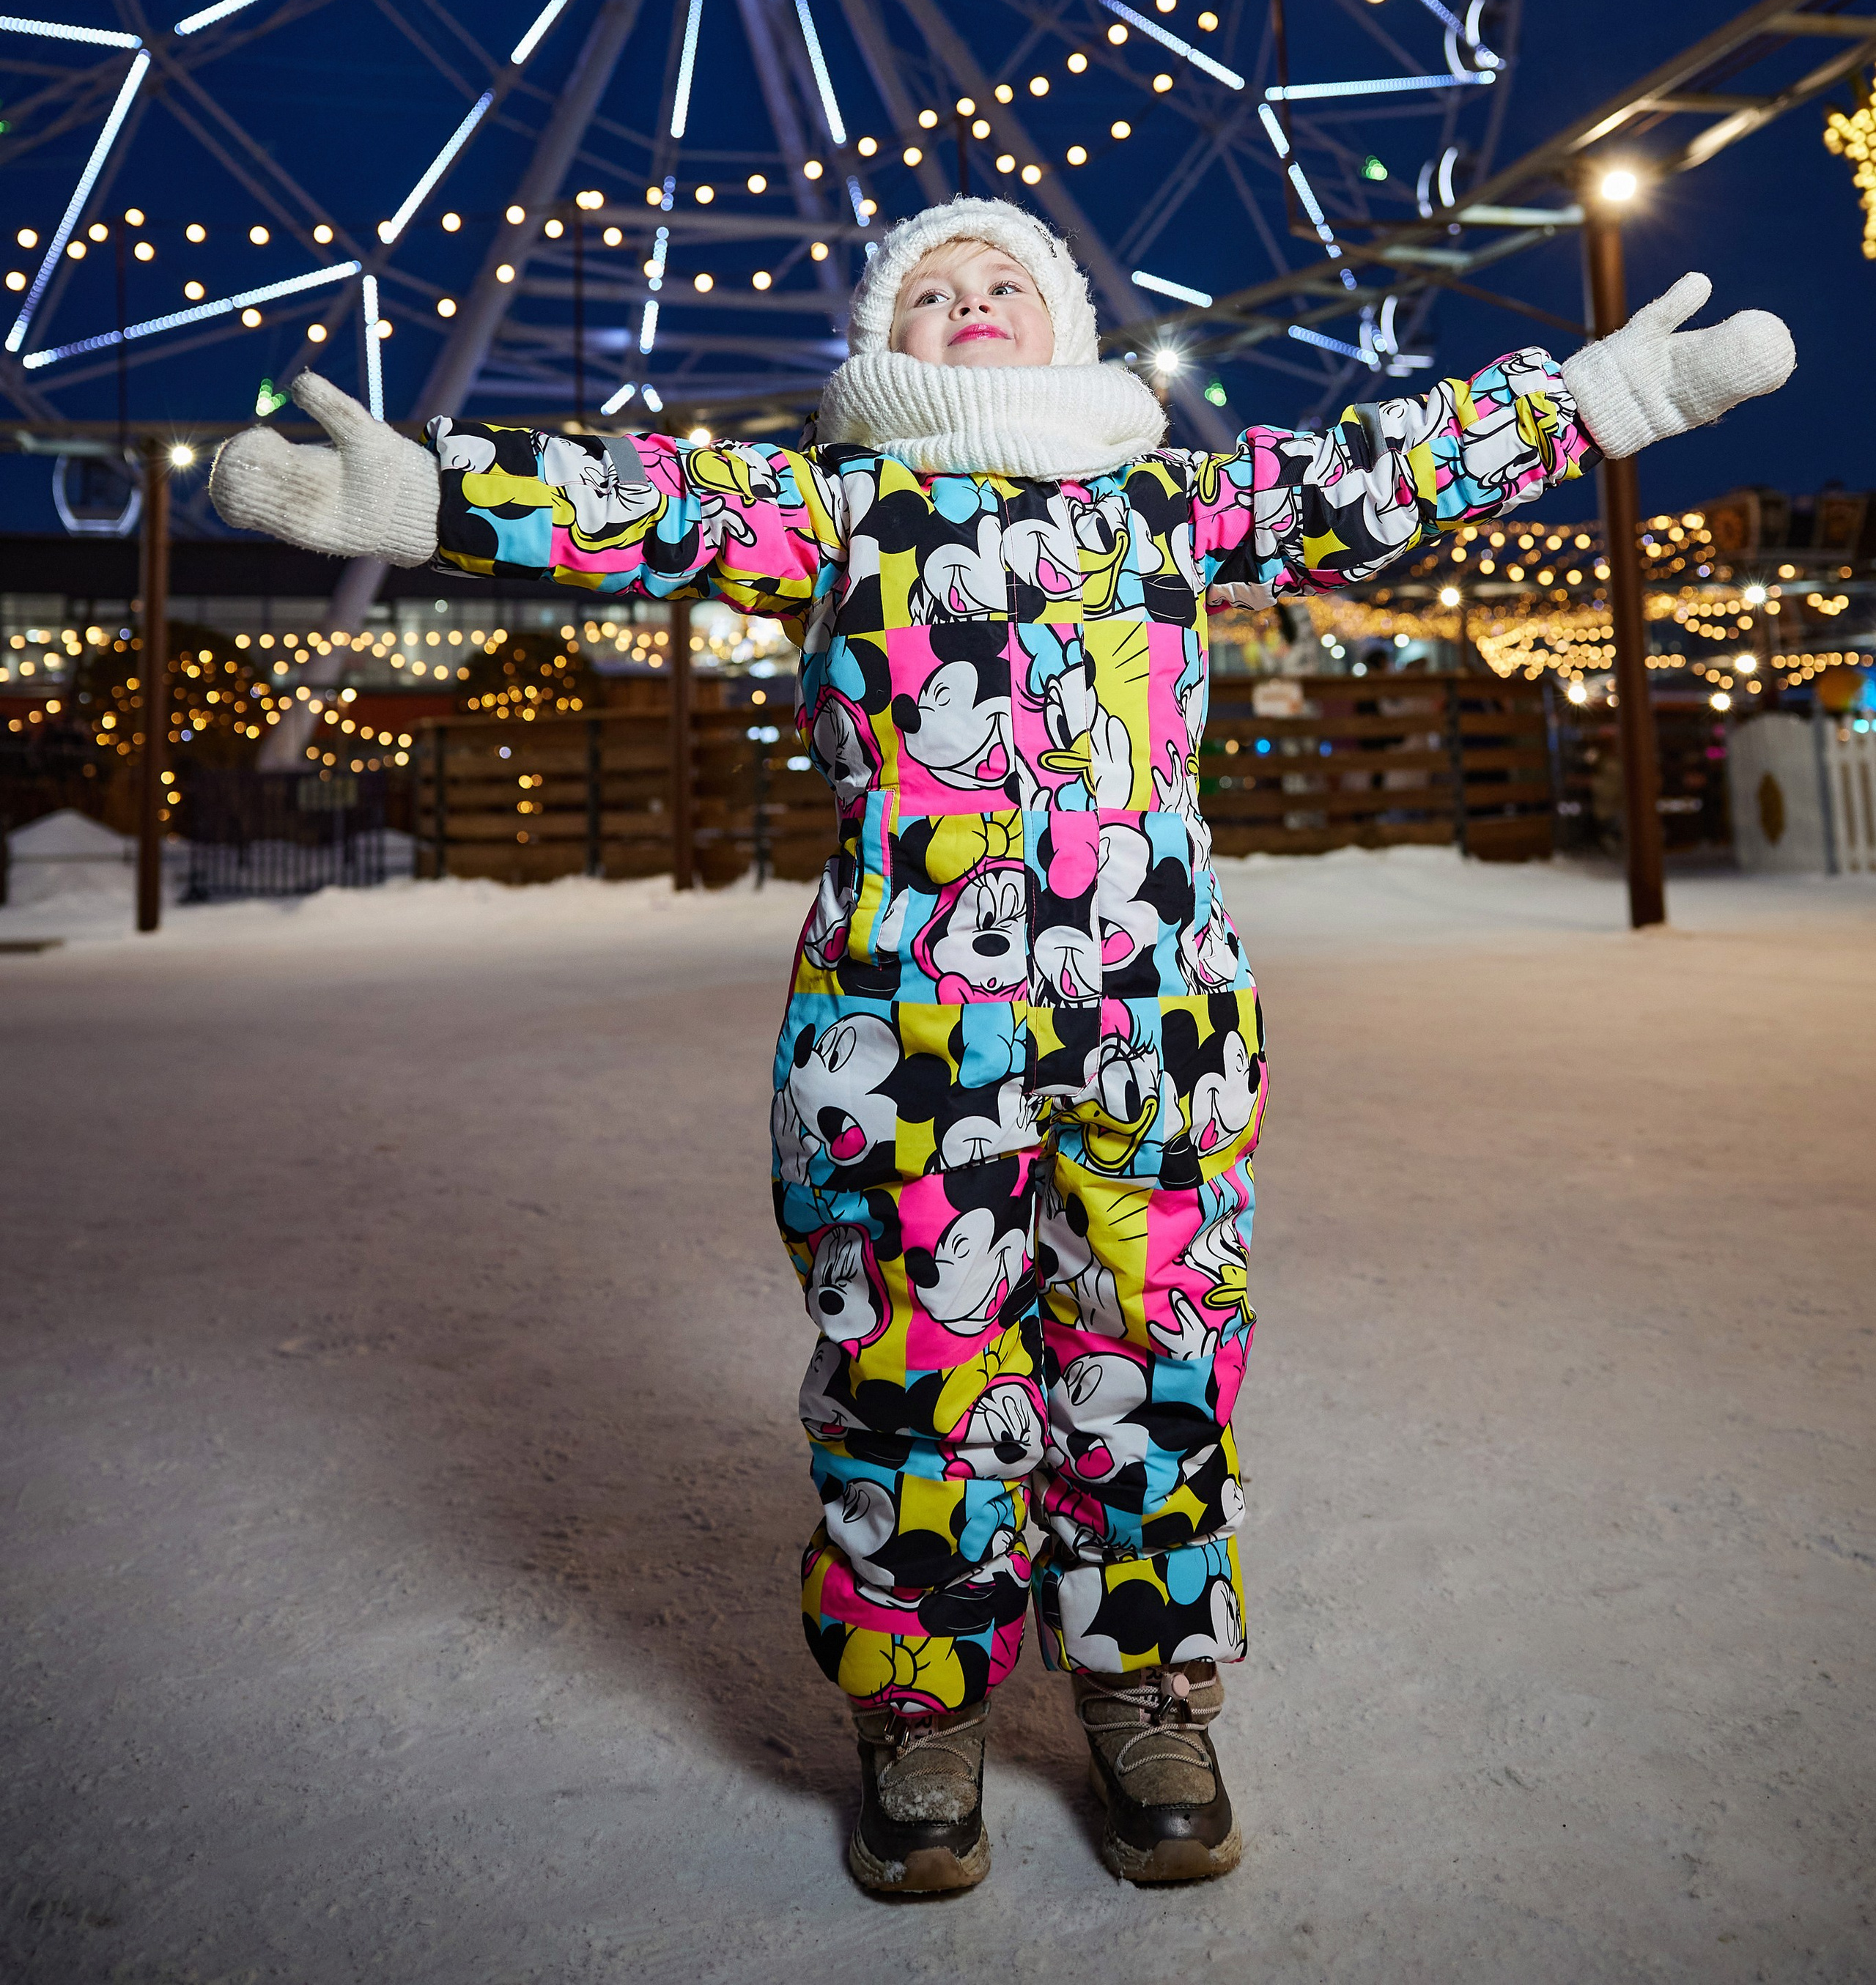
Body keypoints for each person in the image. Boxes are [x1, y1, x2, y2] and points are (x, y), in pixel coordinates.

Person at [210, 197, 1793, 1899]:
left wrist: (1594, 400)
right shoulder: (831, 505)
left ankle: (1143, 1693)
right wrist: (420, 492)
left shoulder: (1171, 505)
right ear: (884, 349)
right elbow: (635, 499)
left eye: (1004, 281)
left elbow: (1375, 469)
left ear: (1067, 331)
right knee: (909, 1365)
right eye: (931, 291)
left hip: (1155, 1024)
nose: (969, 302)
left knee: (1156, 1358)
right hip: (901, 1025)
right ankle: (921, 1711)